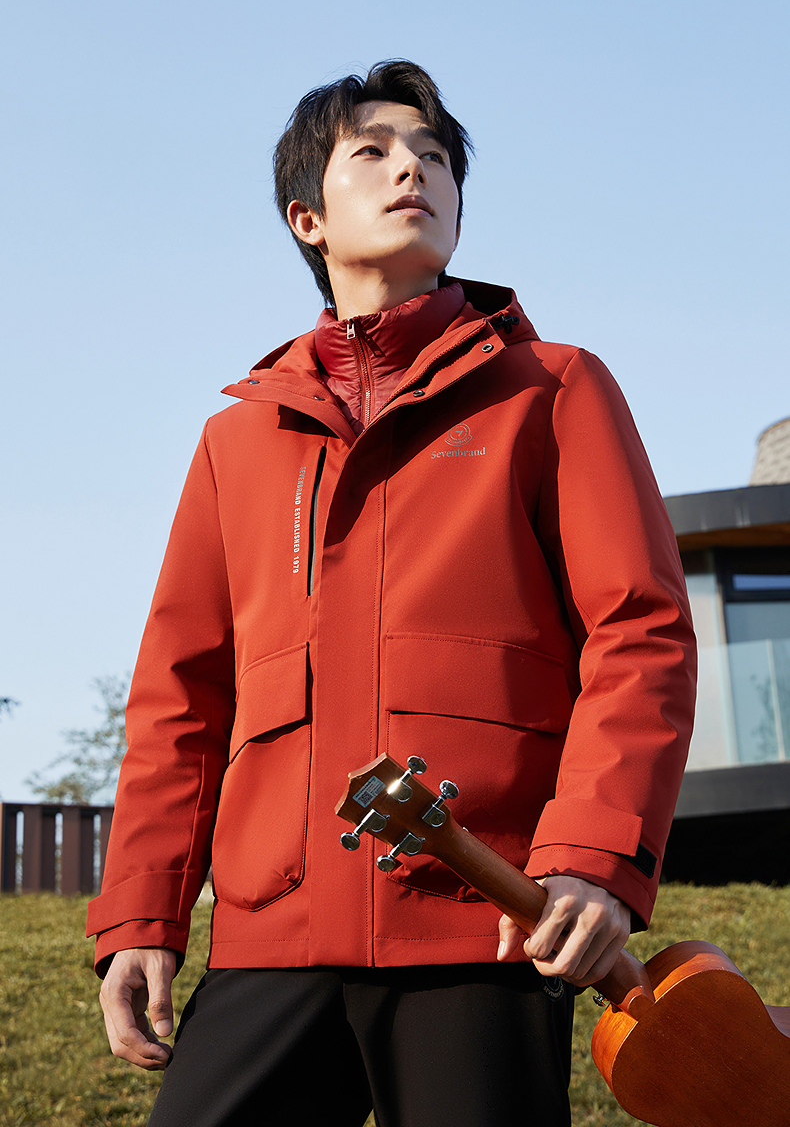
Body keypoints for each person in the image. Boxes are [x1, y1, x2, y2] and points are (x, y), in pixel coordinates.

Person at [87, 59, 696, 1127]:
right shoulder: (238, 440)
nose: (413, 168)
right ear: (307, 218)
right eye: (371, 151)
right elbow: (181, 693)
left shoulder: (552, 389)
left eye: (436, 156)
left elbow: (638, 634)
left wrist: (593, 860)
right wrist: (143, 912)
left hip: (484, 914)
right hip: (271, 932)